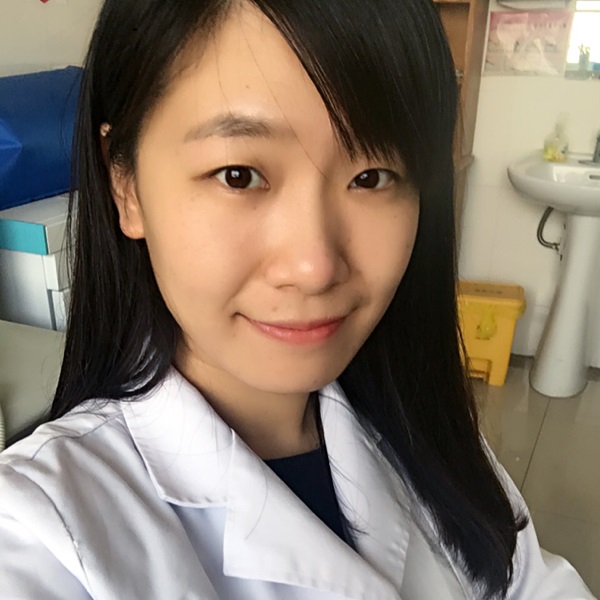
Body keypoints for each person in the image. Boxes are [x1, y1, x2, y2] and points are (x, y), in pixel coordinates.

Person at [0, 1, 594, 598]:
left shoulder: (435, 440)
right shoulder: (37, 531)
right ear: (125, 185)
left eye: (372, 177)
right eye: (238, 175)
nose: (314, 268)